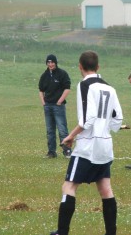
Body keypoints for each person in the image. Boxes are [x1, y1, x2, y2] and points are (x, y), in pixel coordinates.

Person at [50, 50, 123, 235]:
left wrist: (71, 136)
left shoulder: (84, 85)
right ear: (98, 67)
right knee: (106, 189)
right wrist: (104, 124)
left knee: (69, 186)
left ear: (80, 67)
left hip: (87, 146)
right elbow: (117, 121)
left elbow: (87, 120)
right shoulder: (110, 88)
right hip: (105, 145)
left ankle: (62, 232)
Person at [39, 54, 72, 158]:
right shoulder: (44, 75)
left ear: (55, 63)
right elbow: (41, 90)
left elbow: (67, 88)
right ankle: (51, 152)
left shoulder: (62, 74)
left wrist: (59, 101)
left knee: (62, 129)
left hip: (58, 106)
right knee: (50, 130)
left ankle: (67, 151)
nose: (50, 64)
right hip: (48, 106)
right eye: (48, 62)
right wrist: (43, 102)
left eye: (52, 62)